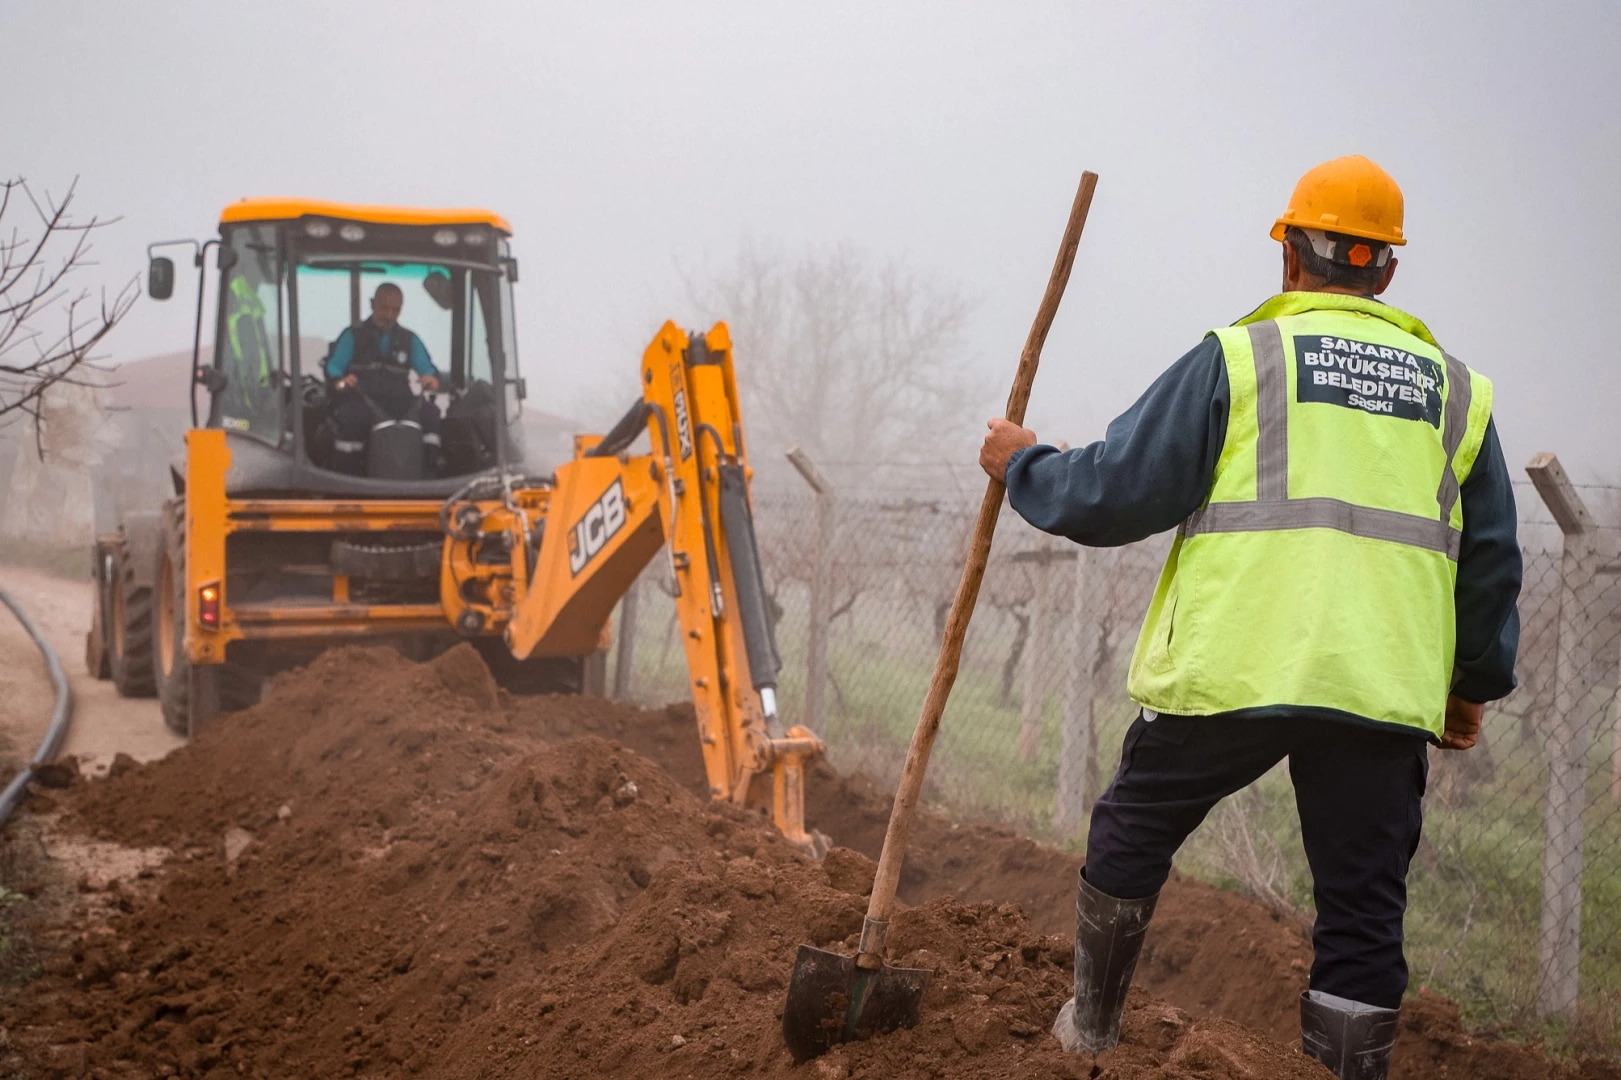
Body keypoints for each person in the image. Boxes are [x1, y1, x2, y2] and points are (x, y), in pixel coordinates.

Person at [978, 155, 1521, 1080]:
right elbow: (1489, 561)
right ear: (1385, 271)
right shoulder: (1455, 393)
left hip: (1234, 667)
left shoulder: (1239, 358)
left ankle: (1091, 1033)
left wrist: (1023, 465)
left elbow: (1115, 493)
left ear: (1287, 256)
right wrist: (1470, 685)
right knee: (1359, 911)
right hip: (1377, 687)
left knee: (1131, 834)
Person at [326, 282, 443, 475]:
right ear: (372, 304)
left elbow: (427, 369)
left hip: (400, 402)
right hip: (361, 400)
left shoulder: (409, 339)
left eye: (395, 310)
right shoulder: (352, 336)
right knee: (350, 417)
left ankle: (430, 474)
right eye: (384, 308)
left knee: (431, 413)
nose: (389, 316)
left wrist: (431, 379)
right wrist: (341, 381)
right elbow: (333, 367)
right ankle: (347, 478)